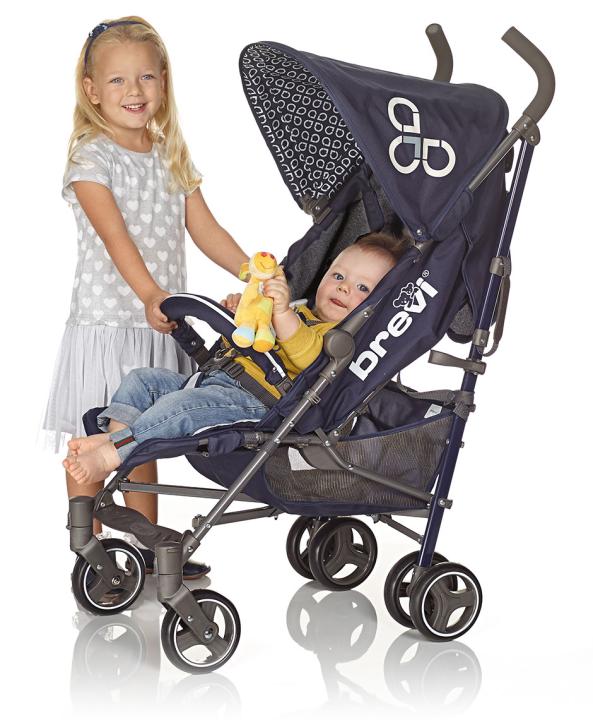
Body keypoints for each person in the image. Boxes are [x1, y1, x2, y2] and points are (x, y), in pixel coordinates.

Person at [45, 16, 250, 578]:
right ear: (91, 90)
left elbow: (205, 229)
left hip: (158, 322)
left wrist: (253, 272)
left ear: (164, 82)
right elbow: (116, 238)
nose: (134, 91)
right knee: (96, 436)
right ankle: (90, 547)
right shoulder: (92, 159)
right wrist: (152, 292)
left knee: (145, 437)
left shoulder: (169, 154)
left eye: (146, 77)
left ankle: (145, 546)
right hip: (110, 323)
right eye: (117, 80)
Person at [63, 233, 410, 485]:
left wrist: (282, 313)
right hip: (218, 380)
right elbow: (254, 335)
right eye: (338, 276)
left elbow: (307, 355)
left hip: (259, 403)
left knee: (182, 408)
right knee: (143, 380)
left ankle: (110, 454)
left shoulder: (339, 339)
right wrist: (243, 311)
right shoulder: (300, 311)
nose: (345, 287)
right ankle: (118, 438)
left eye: (363, 288)